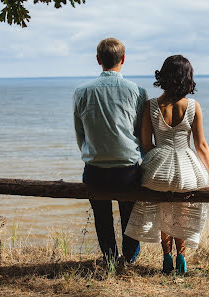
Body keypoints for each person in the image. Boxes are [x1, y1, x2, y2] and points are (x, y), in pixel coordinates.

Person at [125, 55, 209, 274]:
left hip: (158, 169)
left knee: (163, 210)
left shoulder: (151, 105)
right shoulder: (193, 106)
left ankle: (166, 256)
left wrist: (159, 158)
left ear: (164, 76)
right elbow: (201, 145)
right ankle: (182, 257)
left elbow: (146, 143)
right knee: (181, 211)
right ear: (187, 78)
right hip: (186, 169)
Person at [73, 37, 147, 264]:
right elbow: (140, 133)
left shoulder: (82, 91)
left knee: (102, 217)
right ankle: (130, 257)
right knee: (130, 215)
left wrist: (94, 153)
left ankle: (110, 258)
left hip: (95, 170)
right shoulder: (137, 92)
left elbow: (80, 134)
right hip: (127, 170)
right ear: (123, 59)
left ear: (98, 60)